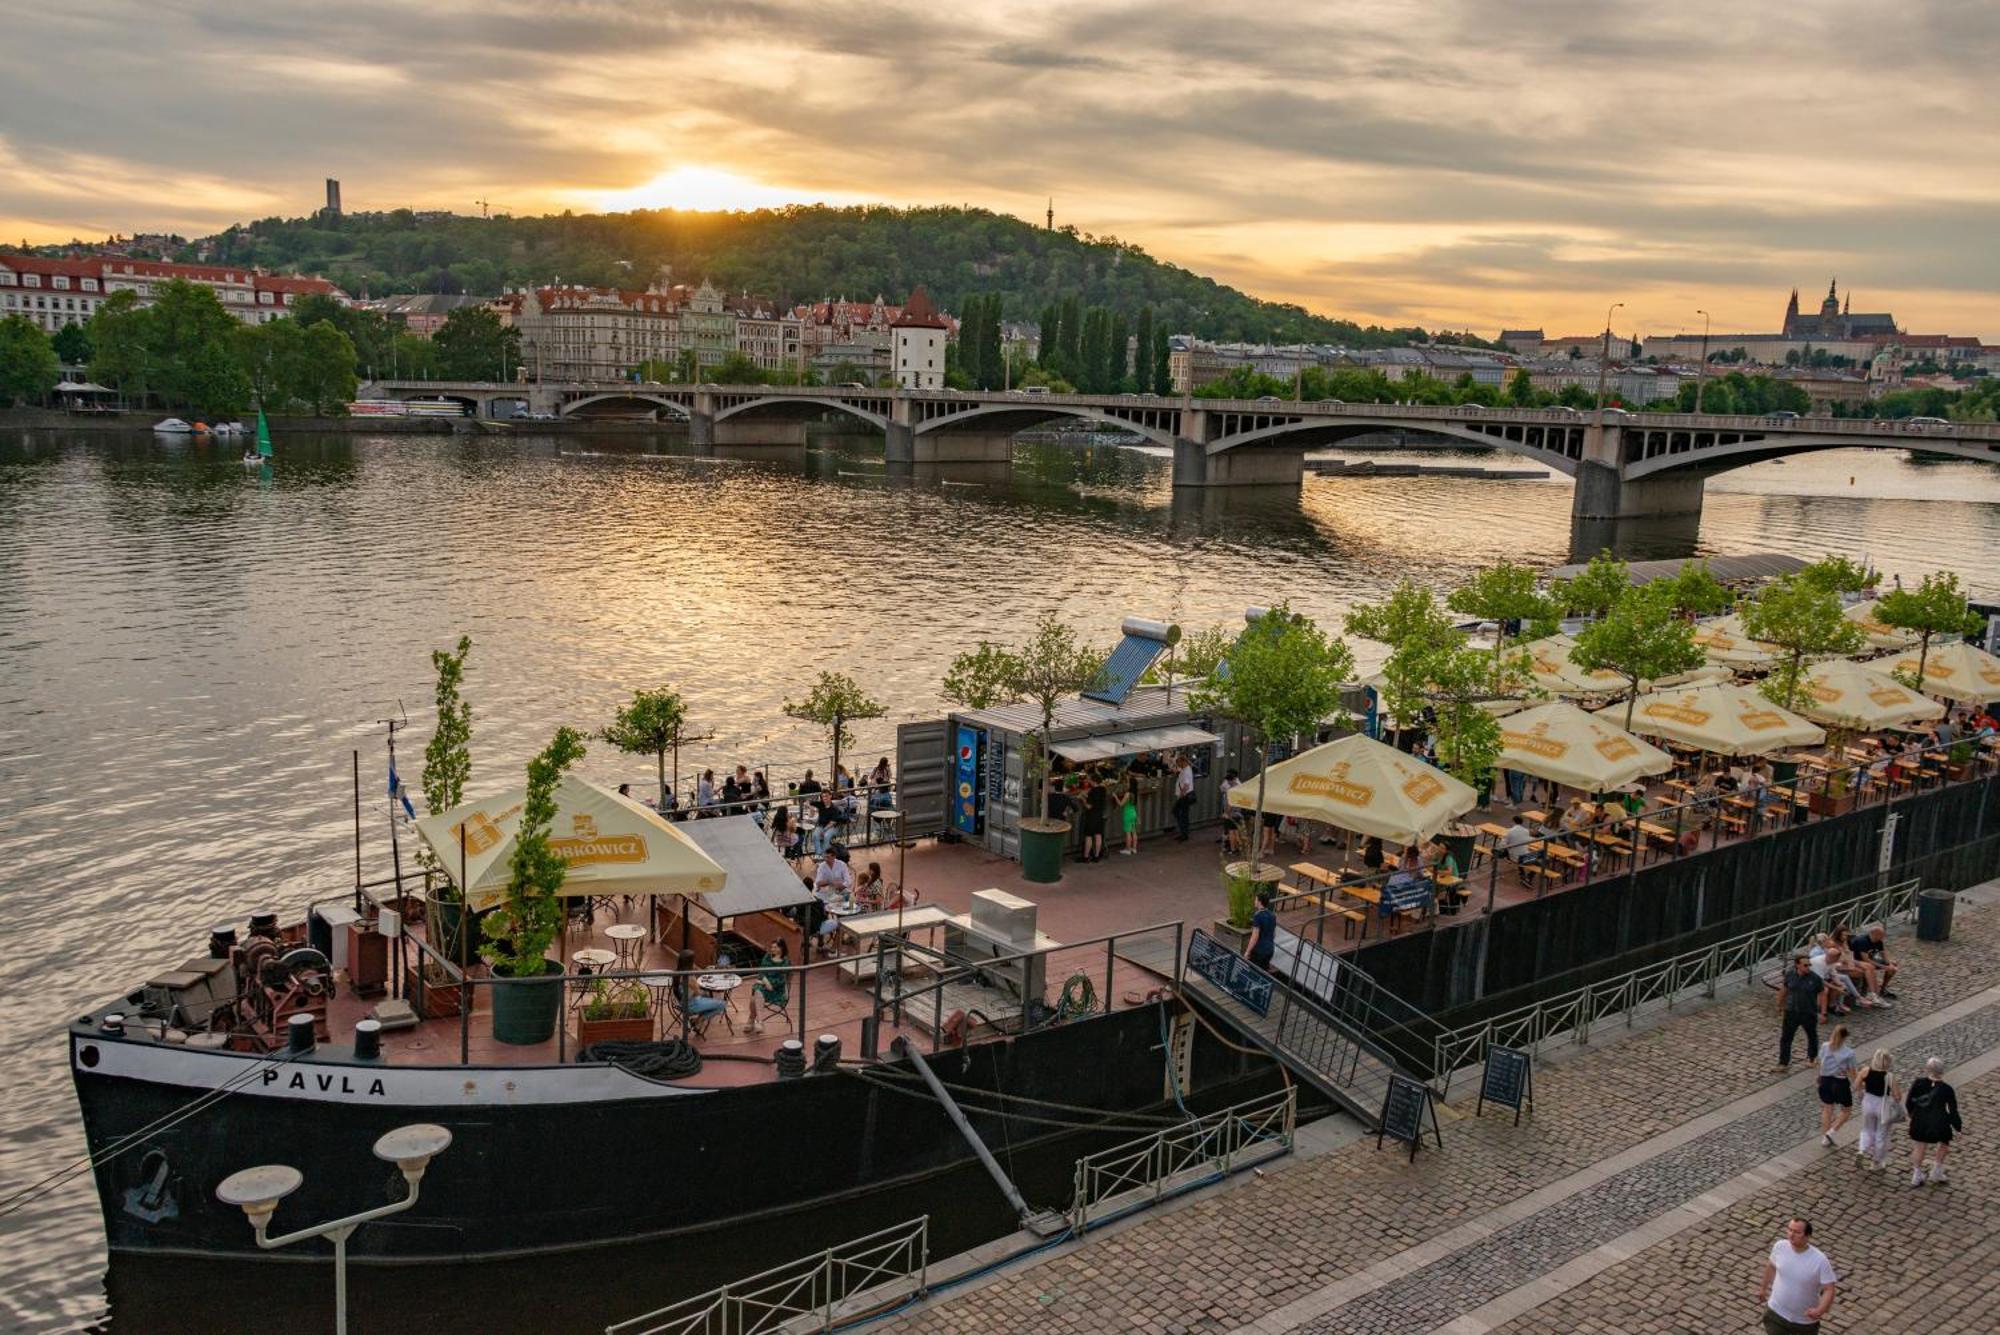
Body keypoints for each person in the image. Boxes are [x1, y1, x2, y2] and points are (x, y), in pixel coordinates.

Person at [1758, 1217, 1837, 1333]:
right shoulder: (1780, 1246)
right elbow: (1771, 1266)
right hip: (1776, 1313)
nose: (1791, 1235)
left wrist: (1820, 1310)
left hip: (1804, 1322)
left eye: (1797, 1232)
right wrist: (1763, 1289)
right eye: (1790, 1230)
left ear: (1807, 1236)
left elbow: (1829, 1289)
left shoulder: (1819, 1260)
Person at [1905, 1056, 1963, 1186]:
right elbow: (1953, 1111)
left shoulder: (1918, 1082)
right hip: (1939, 1123)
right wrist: (1957, 1128)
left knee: (1919, 1147)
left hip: (1920, 1120)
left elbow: (1909, 1102)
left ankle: (1917, 1175)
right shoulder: (1947, 1089)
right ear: (1942, 1071)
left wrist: (1912, 1115)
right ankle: (1936, 1171)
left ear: (1927, 1069)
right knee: (1944, 1143)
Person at [1776, 952, 1823, 1073]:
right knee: (1786, 1038)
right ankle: (1783, 1063)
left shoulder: (1815, 978)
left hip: (1808, 1012)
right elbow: (1785, 989)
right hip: (1792, 1012)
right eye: (1805, 965)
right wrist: (1780, 1004)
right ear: (1797, 965)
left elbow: (1822, 994)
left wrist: (1822, 1012)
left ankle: (1812, 1057)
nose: (1808, 967)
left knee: (1812, 1036)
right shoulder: (1790, 975)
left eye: (1809, 965)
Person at [1855, 1049, 1899, 1171]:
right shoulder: (1889, 1077)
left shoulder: (1865, 1071)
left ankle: (1862, 1150)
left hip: (1868, 1102)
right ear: (1888, 1063)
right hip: (1882, 1105)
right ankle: (1876, 1162)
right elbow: (1897, 1095)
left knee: (1867, 1129)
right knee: (1881, 1135)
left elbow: (1856, 1085)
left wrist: (1863, 1089)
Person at [1816, 1024, 1857, 1147]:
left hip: (1825, 1081)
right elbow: (1852, 1072)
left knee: (1827, 1109)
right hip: (1840, 1083)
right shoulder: (1849, 1053)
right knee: (1847, 1110)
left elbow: (1820, 1062)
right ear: (1845, 1038)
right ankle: (1831, 1132)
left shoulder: (1825, 1046)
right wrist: (1858, 1085)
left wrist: (1819, 1076)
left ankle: (1825, 1138)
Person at [747, 939, 790, 1030]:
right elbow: (761, 972)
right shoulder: (767, 956)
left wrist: (765, 983)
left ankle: (751, 1020)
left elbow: (781, 980)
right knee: (757, 992)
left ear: (781, 948)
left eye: (775, 947)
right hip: (765, 985)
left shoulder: (785, 962)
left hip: (777, 990)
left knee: (754, 997)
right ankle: (759, 1022)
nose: (772, 949)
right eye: (772, 947)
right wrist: (765, 982)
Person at [1857, 923, 1899, 998]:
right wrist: (1884, 966)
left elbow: (1883, 953)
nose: (1883, 937)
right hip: (1861, 961)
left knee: (1893, 965)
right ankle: (1867, 990)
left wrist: (1889, 964)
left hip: (1873, 959)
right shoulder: (1863, 941)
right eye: (1881, 935)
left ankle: (1883, 988)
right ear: (1875, 934)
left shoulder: (1878, 941)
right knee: (1871, 967)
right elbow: (1866, 960)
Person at [1246, 889, 1278, 971]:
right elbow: (1274, 934)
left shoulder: (1258, 916)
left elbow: (1255, 937)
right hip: (1270, 949)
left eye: (1256, 899)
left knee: (1253, 972)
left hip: (1259, 950)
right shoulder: (1272, 915)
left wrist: (1248, 951)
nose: (1254, 901)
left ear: (1259, 902)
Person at [1079, 776, 1108, 862]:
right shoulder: (1103, 789)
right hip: (1100, 814)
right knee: (1098, 834)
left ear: (1093, 781)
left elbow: (1089, 806)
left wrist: (1083, 799)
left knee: (1089, 836)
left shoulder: (1092, 792)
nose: (1088, 781)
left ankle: (1086, 856)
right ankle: (1097, 856)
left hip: (1091, 816)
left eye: (1089, 780)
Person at [1172, 752, 1196, 841]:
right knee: (1182, 814)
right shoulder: (1186, 769)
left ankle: (1184, 834)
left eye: (1178, 763)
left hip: (1184, 796)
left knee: (1180, 813)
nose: (1178, 765)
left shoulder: (1186, 771)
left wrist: (1181, 795)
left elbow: (1186, 785)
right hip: (1185, 796)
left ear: (1183, 762)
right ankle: (1183, 832)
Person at [1218, 769, 1242, 853]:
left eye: (1228, 781)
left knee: (1231, 832)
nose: (1227, 783)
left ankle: (1233, 849)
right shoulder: (1239, 787)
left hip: (1231, 813)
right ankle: (1238, 847)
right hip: (1238, 812)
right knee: (1236, 831)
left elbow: (1229, 804)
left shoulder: (1231, 791)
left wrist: (1226, 813)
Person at [1118, 779, 1139, 856]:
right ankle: (1134, 848)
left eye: (1128, 782)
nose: (1126, 784)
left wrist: (1115, 797)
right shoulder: (1135, 793)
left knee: (1128, 833)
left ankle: (1128, 849)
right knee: (1133, 831)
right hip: (1134, 813)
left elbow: (1121, 804)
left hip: (1127, 814)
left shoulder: (1127, 794)